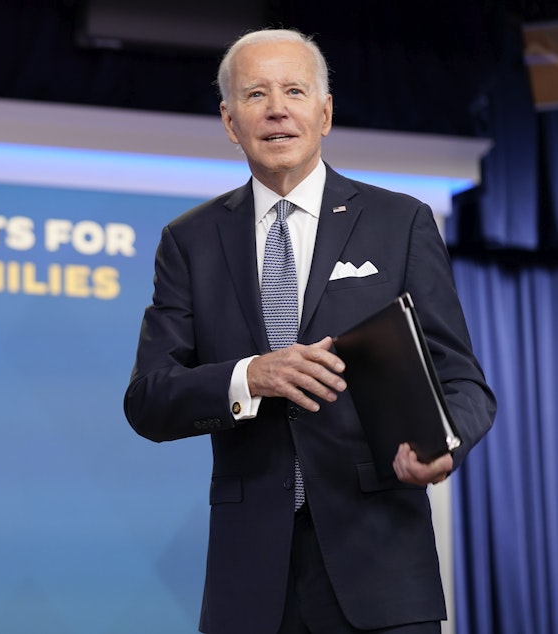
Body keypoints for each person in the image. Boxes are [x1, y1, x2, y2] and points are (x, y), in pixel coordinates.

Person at [123, 28, 495, 634]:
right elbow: (148, 399)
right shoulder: (188, 242)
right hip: (249, 582)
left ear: (324, 112)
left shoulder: (399, 222)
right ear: (228, 120)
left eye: (295, 91)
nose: (277, 108)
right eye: (256, 95)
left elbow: (464, 382)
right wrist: (250, 376)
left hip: (381, 571)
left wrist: (443, 444)